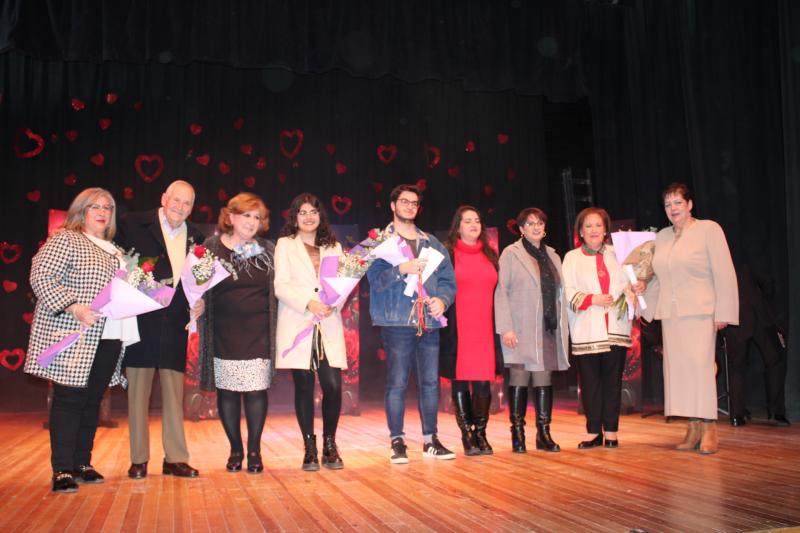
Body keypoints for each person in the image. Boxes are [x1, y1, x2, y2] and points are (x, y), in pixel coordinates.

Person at [25, 188, 139, 492]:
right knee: (69, 398)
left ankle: (82, 463)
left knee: (92, 400)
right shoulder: (66, 238)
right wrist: (74, 307)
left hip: (110, 333)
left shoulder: (116, 250)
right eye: (94, 207)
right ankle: (62, 468)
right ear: (81, 211)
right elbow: (40, 276)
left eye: (107, 208)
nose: (102, 212)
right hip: (74, 332)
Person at [116, 180, 205, 479]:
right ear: (164, 198)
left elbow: (198, 283)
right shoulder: (132, 224)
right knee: (137, 394)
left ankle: (175, 458)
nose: (180, 207)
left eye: (187, 203)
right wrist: (151, 291)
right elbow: (119, 266)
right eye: (176, 200)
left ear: (192, 208)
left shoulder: (197, 237)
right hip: (141, 321)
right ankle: (139, 459)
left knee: (174, 394)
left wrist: (200, 302)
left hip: (176, 324)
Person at [643, 182, 738, 454]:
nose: (672, 208)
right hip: (671, 315)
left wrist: (723, 312)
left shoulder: (709, 229)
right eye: (667, 204)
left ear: (690, 205)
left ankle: (709, 427)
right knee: (680, 372)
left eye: (678, 202)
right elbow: (660, 277)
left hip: (700, 312)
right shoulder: (661, 237)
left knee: (700, 369)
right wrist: (642, 292)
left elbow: (724, 272)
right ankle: (693, 426)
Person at [367, 184, 457, 464]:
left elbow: (448, 281)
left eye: (414, 203)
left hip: (428, 321)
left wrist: (442, 300)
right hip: (397, 321)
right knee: (397, 383)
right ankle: (397, 442)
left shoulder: (432, 243)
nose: (409, 206)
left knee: (430, 383)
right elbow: (374, 281)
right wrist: (400, 270)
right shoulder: (379, 241)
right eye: (404, 201)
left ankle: (431, 440)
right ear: (392, 205)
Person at [198, 192, 276, 474]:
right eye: (246, 215)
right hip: (223, 332)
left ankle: (254, 451)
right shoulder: (211, 247)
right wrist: (196, 302)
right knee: (228, 393)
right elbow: (197, 286)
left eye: (257, 217)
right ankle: (235, 449)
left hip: (259, 332)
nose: (252, 222)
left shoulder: (268, 249)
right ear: (230, 217)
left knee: (256, 391)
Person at [275, 193, 347, 471]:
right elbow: (280, 286)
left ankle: (330, 444)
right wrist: (309, 303)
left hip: (327, 321)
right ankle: (309, 447)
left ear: (320, 216)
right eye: (302, 212)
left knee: (333, 385)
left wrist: (333, 303)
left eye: (313, 212)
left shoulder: (334, 246)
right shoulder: (285, 245)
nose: (308, 217)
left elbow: (344, 282)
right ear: (294, 217)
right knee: (304, 386)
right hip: (299, 320)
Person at [562, 207, 640, 449]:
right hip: (587, 329)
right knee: (590, 384)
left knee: (612, 383)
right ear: (580, 231)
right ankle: (593, 431)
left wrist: (636, 289)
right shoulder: (572, 258)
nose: (593, 230)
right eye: (588, 226)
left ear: (606, 229)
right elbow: (567, 290)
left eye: (598, 225)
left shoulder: (620, 255)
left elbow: (630, 285)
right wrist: (591, 299)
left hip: (615, 329)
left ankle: (612, 432)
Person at [495, 207, 570, 453]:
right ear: (521, 229)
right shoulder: (511, 253)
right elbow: (501, 291)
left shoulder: (553, 255)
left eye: (539, 223)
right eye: (530, 223)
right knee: (520, 376)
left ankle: (543, 434)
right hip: (520, 327)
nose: (536, 227)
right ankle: (517, 434)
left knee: (543, 378)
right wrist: (506, 328)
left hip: (547, 327)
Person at [440, 206, 502, 456]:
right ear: (458, 226)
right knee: (461, 379)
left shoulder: (491, 254)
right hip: (459, 327)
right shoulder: (447, 254)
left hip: (486, 327)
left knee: (483, 380)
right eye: (467, 221)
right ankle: (467, 433)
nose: (474, 224)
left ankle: (481, 433)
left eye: (477, 220)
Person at [722, 264, 790, 427]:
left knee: (737, 366)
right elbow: (766, 281)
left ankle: (737, 415)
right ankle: (776, 412)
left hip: (734, 316)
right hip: (757, 313)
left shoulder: (721, 262)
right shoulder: (747, 259)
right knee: (774, 361)